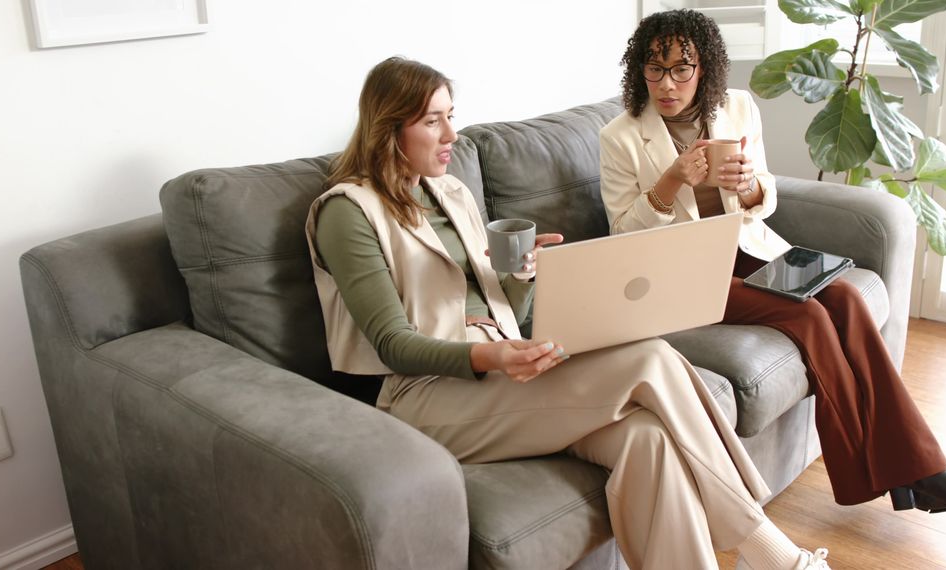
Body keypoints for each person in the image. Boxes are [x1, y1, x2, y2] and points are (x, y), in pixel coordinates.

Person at [305, 56, 832, 570]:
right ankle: (769, 550)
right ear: (387, 128)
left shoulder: (451, 192)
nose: (451, 136)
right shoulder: (348, 212)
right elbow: (392, 344)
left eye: (451, 115)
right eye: (432, 121)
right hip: (424, 396)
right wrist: (492, 356)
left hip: (504, 371)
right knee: (649, 358)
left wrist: (523, 278)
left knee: (647, 439)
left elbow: (503, 306)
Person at [599, 9, 946, 513]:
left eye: (682, 68)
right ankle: (866, 474)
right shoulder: (620, 135)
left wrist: (747, 186)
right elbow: (621, 235)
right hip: (680, 275)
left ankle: (926, 468)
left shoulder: (738, 108)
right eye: (654, 69)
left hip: (747, 250)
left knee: (847, 299)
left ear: (704, 69)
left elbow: (765, 197)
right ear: (640, 70)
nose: (667, 82)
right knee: (806, 315)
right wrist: (671, 180)